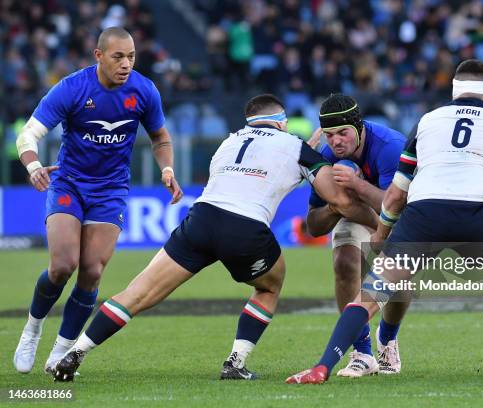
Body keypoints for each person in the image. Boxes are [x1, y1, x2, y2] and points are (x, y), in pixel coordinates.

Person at [286, 59, 483, 384]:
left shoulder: (428, 121)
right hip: (479, 210)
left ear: (453, 92)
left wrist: (382, 235)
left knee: (370, 295)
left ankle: (322, 367)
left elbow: (395, 196)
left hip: (425, 212)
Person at [52, 94, 378, 382]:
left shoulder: (229, 141)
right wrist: (381, 220)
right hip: (246, 227)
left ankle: (75, 352)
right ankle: (235, 362)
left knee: (137, 292)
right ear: (282, 122)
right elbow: (339, 201)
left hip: (201, 219)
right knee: (269, 285)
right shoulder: (296, 146)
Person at [13, 27, 183, 375]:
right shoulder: (73, 88)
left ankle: (61, 350)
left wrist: (166, 169)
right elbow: (28, 134)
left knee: (91, 272)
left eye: (132, 56)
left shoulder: (144, 90)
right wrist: (32, 166)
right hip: (69, 183)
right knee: (63, 265)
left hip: (110, 191)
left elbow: (160, 136)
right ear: (99, 56)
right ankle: (32, 329)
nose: (126, 64)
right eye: (118, 56)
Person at [305, 94, 409, 376]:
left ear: (359, 126)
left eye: (343, 133)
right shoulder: (326, 157)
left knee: (399, 279)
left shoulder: (390, 147)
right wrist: (336, 205)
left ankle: (387, 337)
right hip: (354, 214)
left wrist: (355, 186)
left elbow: (395, 204)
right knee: (345, 263)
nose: (336, 141)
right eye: (329, 135)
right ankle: (362, 352)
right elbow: (313, 226)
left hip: (397, 215)